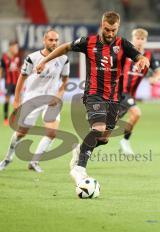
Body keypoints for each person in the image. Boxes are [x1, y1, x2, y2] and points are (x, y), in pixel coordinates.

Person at [36, 11, 150, 184]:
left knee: (103, 138)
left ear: (117, 28)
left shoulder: (123, 44)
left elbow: (137, 54)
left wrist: (142, 60)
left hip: (113, 97)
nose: (110, 34)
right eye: (107, 29)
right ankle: (80, 169)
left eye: (114, 30)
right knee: (98, 128)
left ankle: (80, 150)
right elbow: (65, 47)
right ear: (101, 25)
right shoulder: (87, 42)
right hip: (93, 94)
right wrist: (45, 61)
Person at [0, 29, 70, 172]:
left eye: (56, 40)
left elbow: (65, 81)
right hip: (32, 98)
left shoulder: (63, 59)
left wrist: (59, 95)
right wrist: (17, 99)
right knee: (21, 132)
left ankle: (34, 162)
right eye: (51, 40)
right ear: (44, 40)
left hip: (50, 100)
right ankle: (7, 158)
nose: (54, 42)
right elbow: (22, 78)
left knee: (52, 132)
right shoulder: (32, 58)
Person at [119, 28, 160, 154]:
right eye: (137, 38)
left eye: (142, 39)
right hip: (119, 92)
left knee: (105, 130)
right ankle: (125, 141)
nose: (140, 41)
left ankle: (86, 144)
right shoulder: (124, 53)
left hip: (131, 95)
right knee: (136, 113)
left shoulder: (148, 56)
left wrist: (155, 78)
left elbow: (158, 71)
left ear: (146, 41)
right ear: (133, 39)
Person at [0, 41, 20, 126]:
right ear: (11, 47)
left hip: (17, 82)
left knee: (17, 100)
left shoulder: (17, 57)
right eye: (15, 47)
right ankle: (5, 118)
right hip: (8, 82)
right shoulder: (4, 57)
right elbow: (1, 70)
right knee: (7, 99)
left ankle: (15, 118)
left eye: (17, 47)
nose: (16, 49)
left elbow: (19, 69)